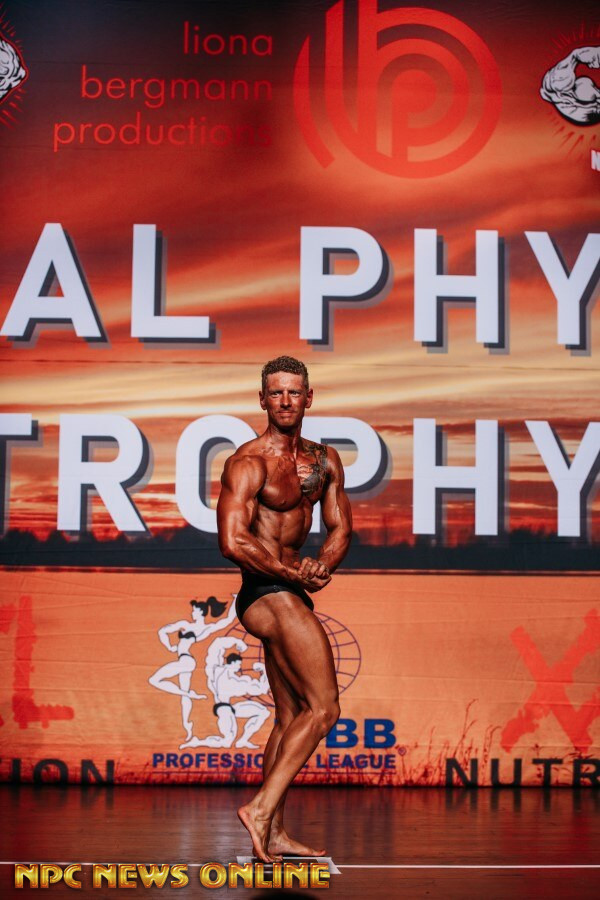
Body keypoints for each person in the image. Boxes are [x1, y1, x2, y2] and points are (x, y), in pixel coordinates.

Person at [217, 355, 352, 862]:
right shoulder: (247, 462)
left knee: (291, 715)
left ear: (309, 397)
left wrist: (322, 564)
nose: (286, 401)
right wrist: (291, 573)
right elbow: (232, 541)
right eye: (276, 393)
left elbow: (340, 527)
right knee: (324, 708)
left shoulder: (324, 461)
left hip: (292, 588)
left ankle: (272, 833)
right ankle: (260, 810)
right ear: (263, 400)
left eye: (294, 392)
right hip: (264, 591)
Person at [148, 596, 237, 747]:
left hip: (186, 661)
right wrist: (169, 646)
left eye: (194, 611)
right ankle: (187, 727)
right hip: (186, 661)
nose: (192, 613)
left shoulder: (204, 628)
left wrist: (236, 600)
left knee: (154, 680)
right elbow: (163, 631)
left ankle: (190, 695)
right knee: (184, 697)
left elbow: (228, 620)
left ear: (201, 612)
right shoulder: (185, 624)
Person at [182, 635, 270, 749]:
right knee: (227, 741)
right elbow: (217, 646)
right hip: (224, 709)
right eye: (238, 664)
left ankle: (243, 740)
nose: (239, 668)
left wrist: (264, 671)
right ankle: (197, 742)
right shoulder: (217, 672)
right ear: (232, 663)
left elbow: (260, 689)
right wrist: (236, 641)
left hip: (231, 707)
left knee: (263, 712)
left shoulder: (235, 679)